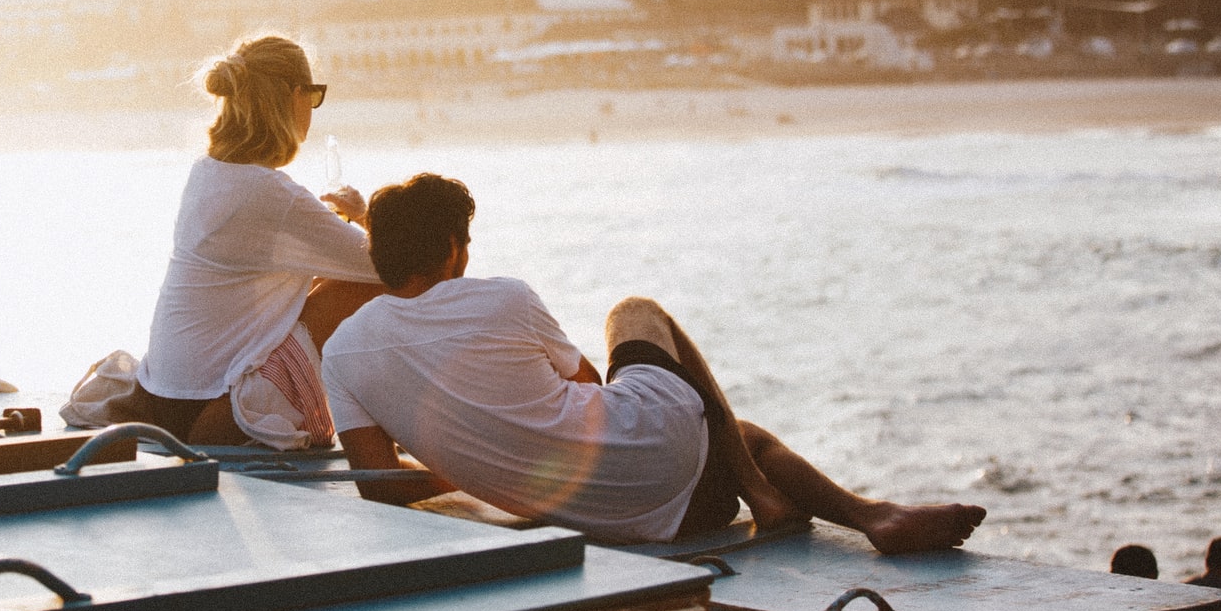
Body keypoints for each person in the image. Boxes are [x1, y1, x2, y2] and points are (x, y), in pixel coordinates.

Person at [321, 173, 987, 552]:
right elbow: (584, 384)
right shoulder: (503, 299)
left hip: (600, 520)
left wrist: (465, 461)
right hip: (663, 482)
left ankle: (860, 511)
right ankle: (838, 509)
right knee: (637, 314)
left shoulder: (345, 352)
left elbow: (377, 484)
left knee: (736, 436)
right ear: (449, 247)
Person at [124, 35, 382, 445]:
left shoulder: (207, 173)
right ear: (294, 96)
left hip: (163, 400)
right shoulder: (271, 194)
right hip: (216, 409)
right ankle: (387, 429)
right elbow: (389, 266)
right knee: (369, 285)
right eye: (313, 95)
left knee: (314, 283)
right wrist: (364, 216)